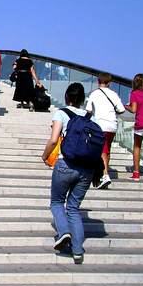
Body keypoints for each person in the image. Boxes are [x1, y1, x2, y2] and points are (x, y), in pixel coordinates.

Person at [41, 83, 95, 265]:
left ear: (66, 97)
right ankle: (78, 251)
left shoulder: (61, 113)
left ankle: (63, 232)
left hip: (65, 163)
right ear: (81, 100)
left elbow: (54, 139)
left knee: (56, 202)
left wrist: (45, 155)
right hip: (87, 169)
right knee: (73, 208)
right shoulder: (89, 117)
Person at [85, 73, 126, 189]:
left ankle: (105, 175)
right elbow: (121, 109)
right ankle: (104, 172)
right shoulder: (114, 94)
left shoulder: (94, 94)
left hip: (100, 124)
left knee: (102, 149)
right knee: (107, 149)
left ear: (98, 81)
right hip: (112, 125)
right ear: (110, 83)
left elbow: (88, 109)